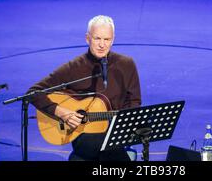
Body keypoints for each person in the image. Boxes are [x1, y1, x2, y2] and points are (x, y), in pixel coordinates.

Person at [27, 15, 141, 161]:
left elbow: (134, 102)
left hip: (113, 138)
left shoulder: (126, 64)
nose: (102, 44)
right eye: (97, 38)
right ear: (87, 38)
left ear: (113, 40)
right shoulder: (73, 67)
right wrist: (60, 112)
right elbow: (33, 92)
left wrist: (123, 126)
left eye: (107, 39)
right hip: (84, 139)